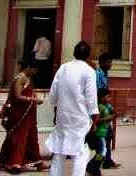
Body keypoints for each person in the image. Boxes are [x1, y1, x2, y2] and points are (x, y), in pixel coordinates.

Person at [47, 42, 98, 176]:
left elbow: (53, 94)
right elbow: (91, 99)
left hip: (62, 117)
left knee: (59, 152)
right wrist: (95, 119)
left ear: (74, 53)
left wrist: (57, 107)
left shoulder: (63, 68)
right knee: (80, 153)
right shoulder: (89, 72)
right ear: (88, 56)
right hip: (79, 118)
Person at [0, 61, 45, 174]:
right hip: (19, 114)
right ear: (28, 67)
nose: (34, 72)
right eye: (34, 70)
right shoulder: (20, 78)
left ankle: (37, 161)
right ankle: (14, 163)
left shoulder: (27, 78)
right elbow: (17, 96)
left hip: (28, 114)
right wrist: (34, 100)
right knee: (19, 137)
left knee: (31, 137)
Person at [93, 56, 117, 169]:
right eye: (109, 62)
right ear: (102, 62)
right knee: (104, 138)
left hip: (104, 107)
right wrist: (108, 107)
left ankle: (107, 160)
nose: (110, 64)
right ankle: (98, 163)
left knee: (108, 136)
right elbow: (99, 93)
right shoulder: (98, 75)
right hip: (100, 109)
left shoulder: (104, 74)